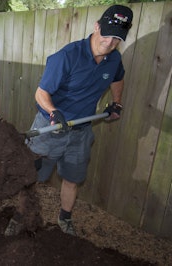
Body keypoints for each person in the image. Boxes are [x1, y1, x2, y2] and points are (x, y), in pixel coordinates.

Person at [27, 5, 134, 236]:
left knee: (73, 179)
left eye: (117, 37)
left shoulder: (114, 59)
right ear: (96, 26)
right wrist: (54, 112)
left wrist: (117, 102)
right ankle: (21, 216)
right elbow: (41, 93)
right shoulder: (67, 56)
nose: (110, 42)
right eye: (106, 34)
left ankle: (65, 219)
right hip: (50, 127)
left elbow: (118, 78)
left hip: (81, 132)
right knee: (32, 176)